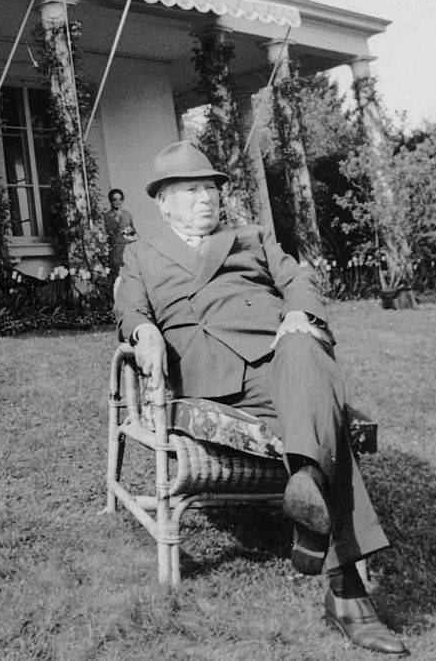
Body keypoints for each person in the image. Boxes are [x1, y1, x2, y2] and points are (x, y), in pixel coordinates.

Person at [115, 141, 407, 656]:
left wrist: (299, 313)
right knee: (327, 427)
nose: (207, 198)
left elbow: (299, 280)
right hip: (211, 376)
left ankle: (315, 508)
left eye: (211, 187)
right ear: (163, 202)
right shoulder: (141, 254)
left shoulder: (251, 236)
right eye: (191, 190)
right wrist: (146, 335)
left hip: (279, 357)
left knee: (307, 341)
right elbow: (131, 311)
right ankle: (345, 584)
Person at [103, 188, 137, 281]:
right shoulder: (108, 216)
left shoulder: (127, 214)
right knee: (118, 277)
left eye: (120, 199)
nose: (118, 202)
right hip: (116, 250)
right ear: (111, 201)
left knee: (131, 276)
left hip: (128, 249)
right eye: (115, 199)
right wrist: (117, 220)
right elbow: (110, 234)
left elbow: (132, 233)